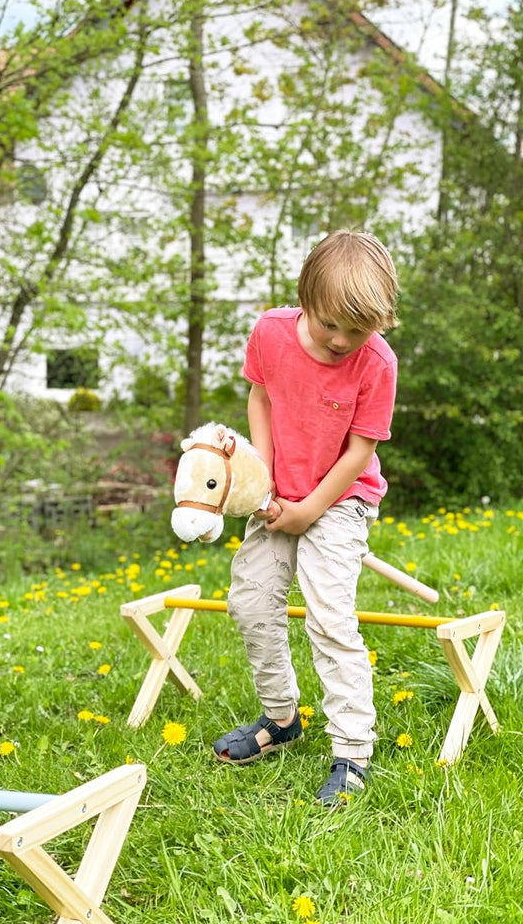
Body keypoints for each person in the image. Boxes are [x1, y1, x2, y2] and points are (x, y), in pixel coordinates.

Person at [213, 229, 399, 806]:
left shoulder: (377, 363)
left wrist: (309, 511)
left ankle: (353, 752)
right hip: (278, 493)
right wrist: (262, 481)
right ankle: (281, 718)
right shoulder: (270, 332)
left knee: (328, 615)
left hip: (340, 500)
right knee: (250, 599)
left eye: (357, 330)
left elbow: (361, 449)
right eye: (329, 326)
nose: (342, 340)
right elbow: (260, 397)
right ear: (305, 300)